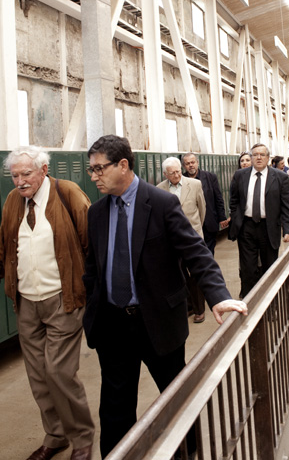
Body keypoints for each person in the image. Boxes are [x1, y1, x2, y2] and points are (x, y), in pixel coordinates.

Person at [83, 135, 247, 458]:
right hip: (113, 326)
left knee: (176, 399)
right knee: (114, 409)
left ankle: (188, 451)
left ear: (123, 165)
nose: (93, 176)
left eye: (99, 169)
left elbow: (196, 252)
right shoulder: (97, 213)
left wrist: (218, 295)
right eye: (91, 169)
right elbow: (93, 268)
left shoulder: (160, 203)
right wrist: (93, 309)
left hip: (157, 321)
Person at [0, 146, 94, 460]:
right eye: (14, 175)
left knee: (59, 372)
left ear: (43, 169)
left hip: (63, 299)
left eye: (26, 174)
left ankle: (82, 438)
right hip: (26, 301)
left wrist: (91, 290)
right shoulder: (13, 201)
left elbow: (91, 243)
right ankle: (56, 436)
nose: (20, 181)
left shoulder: (68, 194)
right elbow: (5, 245)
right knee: (39, 377)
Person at [228, 143, 289, 297]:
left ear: (268, 158)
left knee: (269, 266)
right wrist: (236, 218)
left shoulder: (280, 177)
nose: (258, 158)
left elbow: (287, 205)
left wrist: (288, 229)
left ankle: (270, 300)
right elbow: (234, 200)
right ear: (251, 157)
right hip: (246, 227)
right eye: (255, 155)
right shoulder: (240, 175)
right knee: (248, 268)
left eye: (262, 155)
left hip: (269, 227)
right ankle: (248, 301)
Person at [157, 156, 207, 323]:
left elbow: (202, 209)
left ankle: (200, 309)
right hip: (172, 240)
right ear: (165, 174)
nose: (177, 175)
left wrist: (196, 230)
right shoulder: (160, 189)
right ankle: (189, 306)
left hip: (192, 237)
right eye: (172, 173)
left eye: (178, 171)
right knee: (179, 275)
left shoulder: (195, 184)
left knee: (195, 274)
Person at [182, 152, 229, 254]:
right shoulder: (182, 180)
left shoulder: (210, 177)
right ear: (184, 166)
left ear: (197, 163)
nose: (191, 165)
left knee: (209, 252)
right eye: (187, 163)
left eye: (193, 162)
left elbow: (218, 198)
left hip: (209, 222)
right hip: (191, 223)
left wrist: (222, 218)